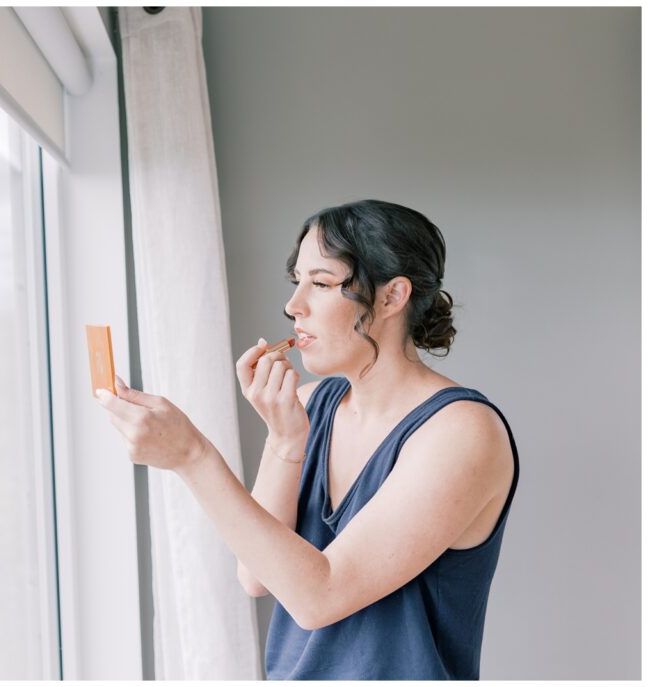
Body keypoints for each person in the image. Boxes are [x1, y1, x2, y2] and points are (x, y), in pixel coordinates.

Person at [94, 199, 519, 680]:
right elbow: (256, 577)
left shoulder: (461, 431)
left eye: (319, 283)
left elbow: (320, 596)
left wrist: (193, 456)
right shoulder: (312, 403)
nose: (293, 305)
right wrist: (285, 441)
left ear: (391, 296)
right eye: (297, 282)